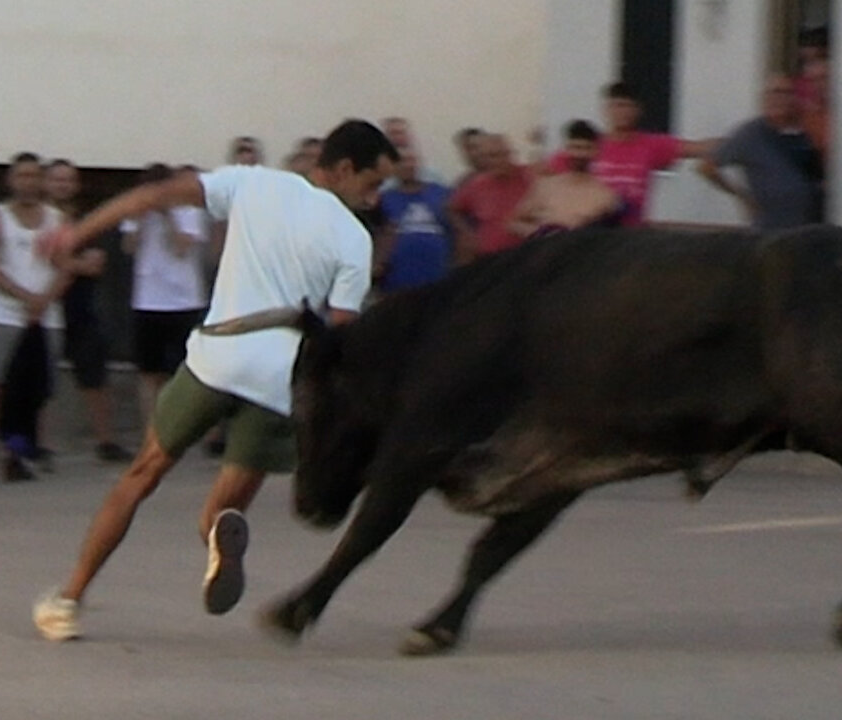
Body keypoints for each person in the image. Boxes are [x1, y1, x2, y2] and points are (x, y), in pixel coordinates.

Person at [31, 119, 399, 642]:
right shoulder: (355, 241)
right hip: (277, 380)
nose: (374, 196)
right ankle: (216, 541)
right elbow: (338, 336)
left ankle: (68, 599)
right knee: (222, 511)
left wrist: (76, 232)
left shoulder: (253, 182)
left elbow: (153, 197)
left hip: (218, 356)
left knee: (141, 476)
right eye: (373, 183)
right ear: (343, 170)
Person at [0, 152, 71, 486]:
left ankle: (17, 455)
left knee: (33, 391)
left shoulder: (57, 220)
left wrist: (45, 299)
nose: (27, 182)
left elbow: (67, 266)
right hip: (4, 315)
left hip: (46, 317)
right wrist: (25, 297)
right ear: (11, 180)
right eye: (21, 176)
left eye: (33, 176)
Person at [45, 159, 131, 463]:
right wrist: (68, 263)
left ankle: (106, 441)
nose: (62, 185)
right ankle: (36, 443)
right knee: (40, 377)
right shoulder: (35, 219)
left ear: (76, 185)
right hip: (42, 305)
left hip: (80, 305)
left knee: (94, 376)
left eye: (68, 180)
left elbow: (96, 264)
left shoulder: (87, 222)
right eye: (57, 180)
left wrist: (61, 262)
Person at [547, 82, 710, 227]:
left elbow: (696, 148)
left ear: (637, 110)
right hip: (589, 235)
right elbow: (544, 174)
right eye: (616, 106)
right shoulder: (588, 147)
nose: (621, 112)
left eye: (627, 106)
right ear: (606, 109)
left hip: (630, 238)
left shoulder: (651, 145)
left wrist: (733, 145)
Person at [120, 163, 210, 425]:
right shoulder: (136, 212)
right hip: (148, 301)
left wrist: (168, 213)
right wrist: (139, 219)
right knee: (149, 372)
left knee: (189, 369)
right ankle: (152, 428)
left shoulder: (188, 210)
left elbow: (181, 247)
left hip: (184, 302)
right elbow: (128, 248)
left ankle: (187, 424)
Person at [697, 74, 824, 230]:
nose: (780, 99)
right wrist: (741, 196)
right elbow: (706, 168)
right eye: (775, 93)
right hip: (768, 232)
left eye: (786, 93)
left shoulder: (804, 133)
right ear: (764, 98)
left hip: (805, 230)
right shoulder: (749, 134)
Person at [509, 120, 621, 239]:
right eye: (575, 147)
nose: (579, 154)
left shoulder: (606, 196)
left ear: (596, 152)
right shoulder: (546, 186)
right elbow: (514, 222)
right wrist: (540, 232)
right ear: (566, 149)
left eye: (586, 148)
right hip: (544, 253)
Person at [447, 133, 534, 265]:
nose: (495, 161)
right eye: (488, 157)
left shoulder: (530, 177)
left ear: (510, 154)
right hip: (489, 262)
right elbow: (451, 209)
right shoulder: (477, 185)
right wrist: (467, 233)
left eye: (498, 155)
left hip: (526, 260)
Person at [377, 147, 452, 292]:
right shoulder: (383, 199)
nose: (406, 166)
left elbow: (456, 231)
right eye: (400, 162)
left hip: (439, 276)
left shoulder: (442, 194)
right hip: (397, 280)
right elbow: (380, 235)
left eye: (409, 161)